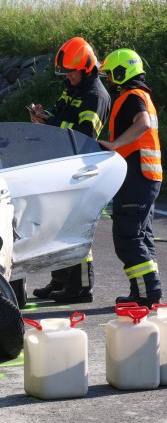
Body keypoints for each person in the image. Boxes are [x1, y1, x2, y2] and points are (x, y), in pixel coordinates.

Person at [28, 37, 111, 303]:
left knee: (77, 229)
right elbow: (59, 112)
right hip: (64, 166)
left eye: (71, 72)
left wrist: (52, 122)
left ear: (86, 68)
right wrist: (43, 116)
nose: (68, 76)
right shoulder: (73, 88)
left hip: (83, 169)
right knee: (59, 228)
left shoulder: (95, 96)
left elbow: (87, 134)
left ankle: (81, 288)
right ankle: (61, 281)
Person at [98, 49, 162, 307]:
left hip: (137, 176)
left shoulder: (134, 97)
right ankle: (143, 292)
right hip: (146, 175)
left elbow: (143, 123)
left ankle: (148, 294)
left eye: (111, 75)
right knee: (141, 235)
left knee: (128, 236)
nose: (110, 81)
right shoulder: (143, 96)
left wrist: (114, 145)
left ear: (123, 71)